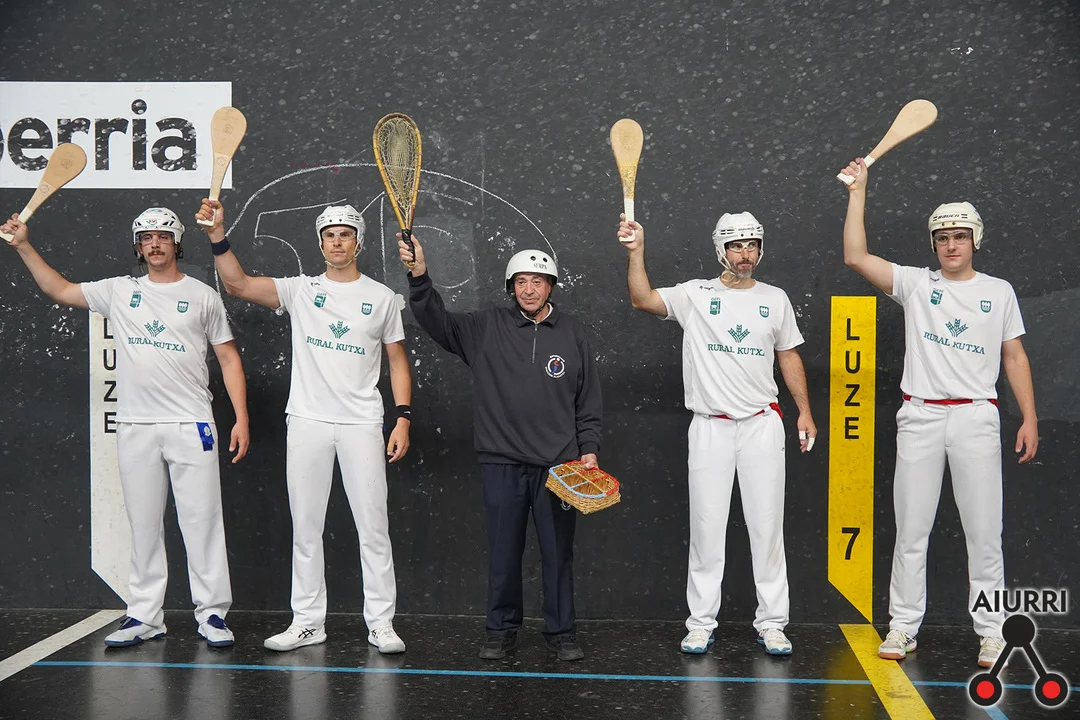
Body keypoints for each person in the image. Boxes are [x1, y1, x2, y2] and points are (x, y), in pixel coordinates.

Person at [2, 207, 249, 648]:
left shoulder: (202, 295)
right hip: (135, 425)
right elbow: (59, 289)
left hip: (191, 424)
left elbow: (228, 358)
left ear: (177, 243)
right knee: (143, 524)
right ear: (138, 246)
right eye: (146, 238)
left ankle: (212, 613)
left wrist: (241, 417)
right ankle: (145, 615)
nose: (154, 244)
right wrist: (23, 246)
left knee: (202, 522)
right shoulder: (119, 291)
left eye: (163, 237)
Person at [840, 159, 1038, 668]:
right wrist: (858, 192)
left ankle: (991, 632)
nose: (951, 245)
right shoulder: (915, 284)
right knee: (912, 530)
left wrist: (1029, 417)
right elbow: (856, 256)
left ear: (975, 240)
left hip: (977, 418)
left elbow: (1014, 356)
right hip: (921, 417)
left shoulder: (998, 291)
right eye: (943, 238)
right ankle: (903, 626)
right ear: (934, 244)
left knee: (984, 533)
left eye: (960, 236)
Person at [196, 199, 411, 654]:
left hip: (361, 423)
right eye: (330, 235)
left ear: (358, 242)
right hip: (308, 421)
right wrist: (217, 234)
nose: (337, 242)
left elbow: (397, 361)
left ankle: (381, 624)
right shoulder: (300, 290)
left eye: (345, 234)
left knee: (373, 526)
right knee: (307, 527)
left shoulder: (381, 297)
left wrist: (403, 417)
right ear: (320, 243)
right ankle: (309, 623)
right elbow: (237, 283)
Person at [618, 210, 816, 656]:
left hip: (762, 425)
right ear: (720, 250)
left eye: (751, 245)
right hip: (710, 428)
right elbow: (642, 299)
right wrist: (637, 251)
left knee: (767, 528)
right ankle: (701, 623)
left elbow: (788, 355)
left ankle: (772, 623)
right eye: (736, 246)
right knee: (707, 529)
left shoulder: (775, 298)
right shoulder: (695, 294)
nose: (745, 254)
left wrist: (804, 410)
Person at [399, 235, 601, 661]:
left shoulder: (573, 332)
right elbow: (436, 320)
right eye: (521, 281)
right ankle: (501, 631)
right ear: (511, 287)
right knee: (504, 553)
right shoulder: (485, 327)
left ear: (551, 286)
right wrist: (419, 276)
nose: (529, 289)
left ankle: (562, 633)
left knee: (558, 554)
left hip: (560, 465)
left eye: (538, 281)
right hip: (501, 461)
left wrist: (589, 448)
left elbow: (587, 399)